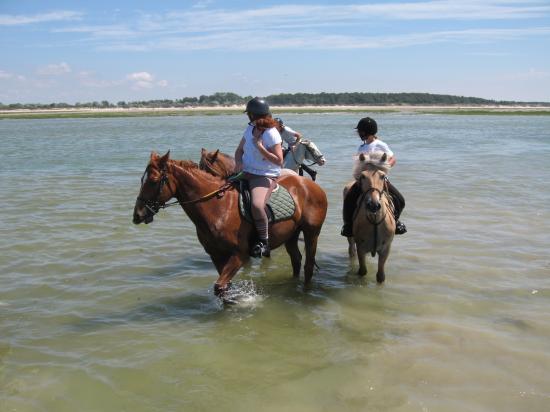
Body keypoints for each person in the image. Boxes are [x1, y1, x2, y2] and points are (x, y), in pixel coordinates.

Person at [341, 116, 407, 237]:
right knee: (349, 199)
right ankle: (348, 225)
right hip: (364, 181)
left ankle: (396, 222)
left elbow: (393, 158)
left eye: (360, 131)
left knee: (400, 200)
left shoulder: (380, 144)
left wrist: (385, 169)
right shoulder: (361, 147)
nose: (359, 133)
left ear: (366, 131)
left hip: (380, 180)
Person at [235, 97, 284, 258]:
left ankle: (264, 242)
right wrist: (238, 163)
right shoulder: (249, 129)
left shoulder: (271, 133)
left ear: (254, 115)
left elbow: (279, 160)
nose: (248, 117)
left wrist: (260, 147)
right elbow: (239, 150)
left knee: (257, 205)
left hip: (265, 175)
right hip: (247, 172)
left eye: (249, 114)